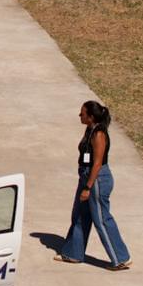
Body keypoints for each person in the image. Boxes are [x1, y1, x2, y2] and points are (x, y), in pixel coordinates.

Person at [57, 101, 131, 270]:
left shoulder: (99, 134)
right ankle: (73, 253)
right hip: (85, 175)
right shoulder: (89, 129)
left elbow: (97, 163)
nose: (79, 116)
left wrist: (87, 188)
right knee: (79, 215)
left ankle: (120, 258)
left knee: (101, 219)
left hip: (96, 179)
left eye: (82, 114)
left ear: (91, 117)